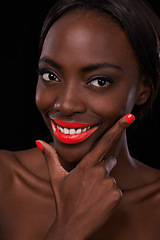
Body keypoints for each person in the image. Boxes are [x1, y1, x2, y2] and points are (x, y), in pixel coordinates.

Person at [0, 0, 160, 239]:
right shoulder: (4, 179)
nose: (65, 104)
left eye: (99, 81)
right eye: (50, 75)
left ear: (143, 89)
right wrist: (69, 227)